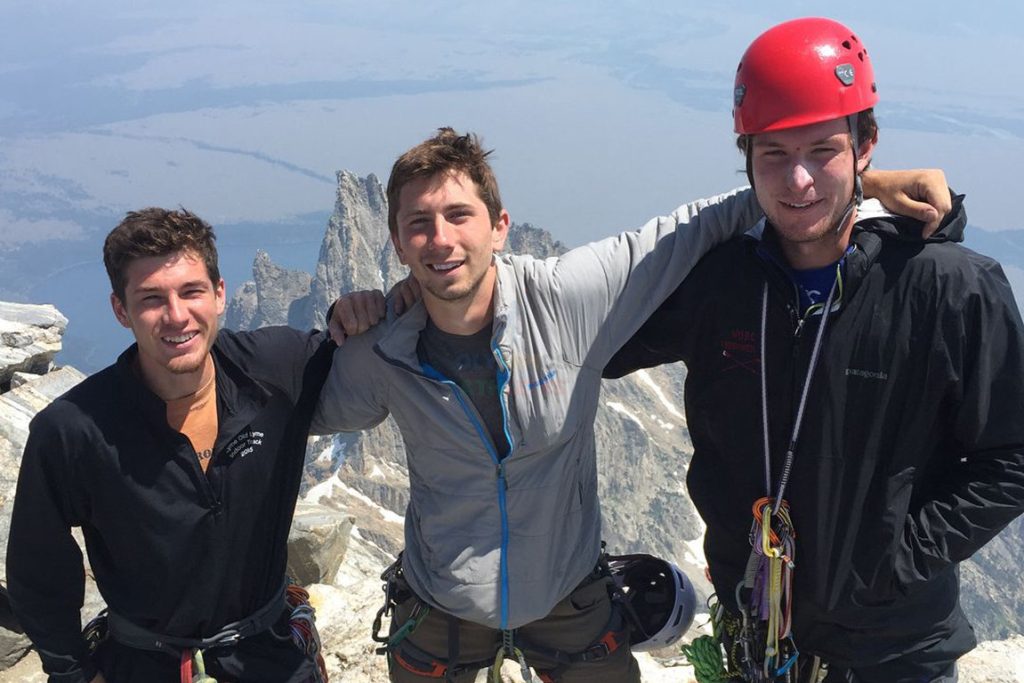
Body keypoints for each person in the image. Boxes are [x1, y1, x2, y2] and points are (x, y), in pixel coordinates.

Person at [314, 127, 952, 682]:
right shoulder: (384, 353)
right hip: (440, 604)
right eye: (418, 225)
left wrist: (864, 184)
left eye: (459, 215)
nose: (440, 239)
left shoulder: (565, 299)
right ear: (397, 243)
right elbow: (287, 410)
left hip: (568, 593)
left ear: (499, 227)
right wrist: (342, 318)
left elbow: (697, 224)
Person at [604, 17, 1024, 683]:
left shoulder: (946, 288)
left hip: (894, 653)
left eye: (822, 150)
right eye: (773, 154)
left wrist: (896, 557)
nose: (798, 181)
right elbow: (583, 335)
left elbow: (1011, 456)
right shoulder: (722, 283)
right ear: (746, 159)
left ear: (866, 147)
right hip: (759, 636)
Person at [6, 208, 335, 683]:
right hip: (145, 665)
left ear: (219, 295)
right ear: (121, 310)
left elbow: (383, 350)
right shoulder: (73, 430)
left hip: (274, 655)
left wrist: (361, 306)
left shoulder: (275, 368)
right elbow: (38, 572)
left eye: (192, 291)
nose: (177, 315)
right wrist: (74, 672)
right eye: (151, 298)